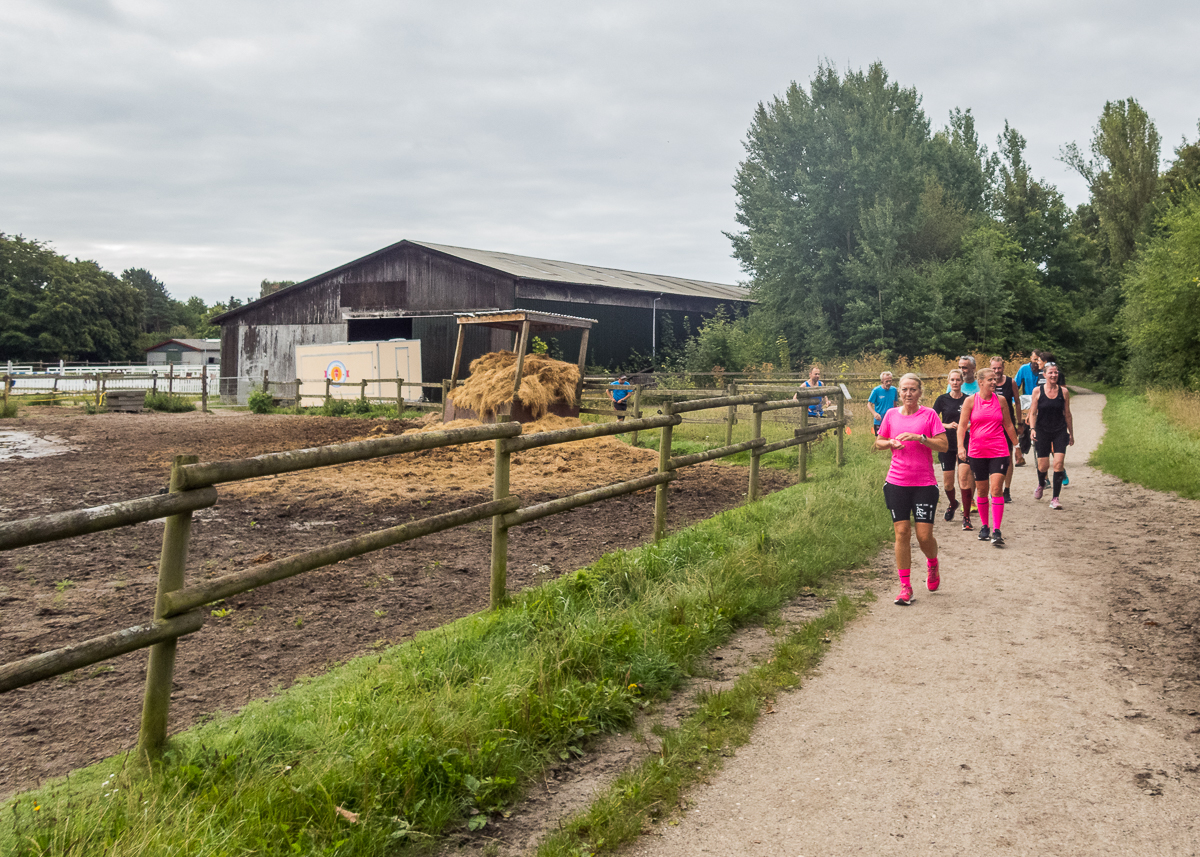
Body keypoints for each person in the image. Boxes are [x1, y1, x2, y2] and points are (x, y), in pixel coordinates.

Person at [874, 373, 948, 605]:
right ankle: (905, 587)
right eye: (904, 390)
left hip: (924, 483)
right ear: (899, 392)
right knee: (902, 532)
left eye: (913, 389)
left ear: (920, 392)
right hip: (897, 482)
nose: (908, 394)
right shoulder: (890, 414)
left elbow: (944, 445)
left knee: (924, 536)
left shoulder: (929, 415)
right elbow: (879, 441)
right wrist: (889, 443)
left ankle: (932, 563)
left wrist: (921, 438)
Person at [957, 367, 1018, 547]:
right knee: (982, 491)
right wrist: (961, 447)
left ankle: (996, 530)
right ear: (981, 382)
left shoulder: (1001, 400)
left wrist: (1017, 446)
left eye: (995, 379)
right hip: (977, 452)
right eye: (990, 379)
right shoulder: (970, 401)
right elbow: (961, 426)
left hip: (999, 450)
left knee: (996, 489)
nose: (994, 382)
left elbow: (1008, 424)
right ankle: (984, 526)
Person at [1028, 361, 1074, 509]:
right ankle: (1041, 483)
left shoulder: (1064, 392)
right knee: (1043, 466)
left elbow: (1067, 414)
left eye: (1056, 372)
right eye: (1051, 372)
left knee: (1058, 464)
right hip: (1042, 430)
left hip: (1059, 430)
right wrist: (1032, 429)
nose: (1054, 375)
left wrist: (1071, 433)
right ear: (1045, 374)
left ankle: (1055, 498)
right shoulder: (1038, 391)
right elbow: (1033, 412)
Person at [932, 368, 971, 527]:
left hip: (965, 443)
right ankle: (953, 503)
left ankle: (966, 517)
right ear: (949, 381)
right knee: (948, 484)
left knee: (964, 480)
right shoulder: (942, 400)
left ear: (962, 382)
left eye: (958, 380)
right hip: (946, 443)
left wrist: (967, 426)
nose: (955, 382)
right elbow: (931, 421)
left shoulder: (969, 399)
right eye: (952, 380)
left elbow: (976, 419)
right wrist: (947, 425)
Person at [990, 356, 1023, 502]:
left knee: (1008, 456)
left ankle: (1007, 489)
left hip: (1007, 424)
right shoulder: (986, 383)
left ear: (1003, 368)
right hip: (991, 425)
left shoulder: (1011, 382)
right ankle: (994, 487)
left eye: (999, 368)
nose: (997, 371)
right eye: (994, 368)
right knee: (991, 457)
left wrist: (1020, 423)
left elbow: (1017, 403)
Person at [1013, 349, 1043, 464]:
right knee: (1024, 428)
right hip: (1027, 401)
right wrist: (1014, 400)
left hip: (1041, 401)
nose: (1036, 362)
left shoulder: (1043, 370)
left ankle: (1043, 452)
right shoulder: (1024, 369)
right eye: (1034, 359)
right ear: (1031, 358)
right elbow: (1016, 385)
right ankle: (1021, 455)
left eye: (1038, 360)